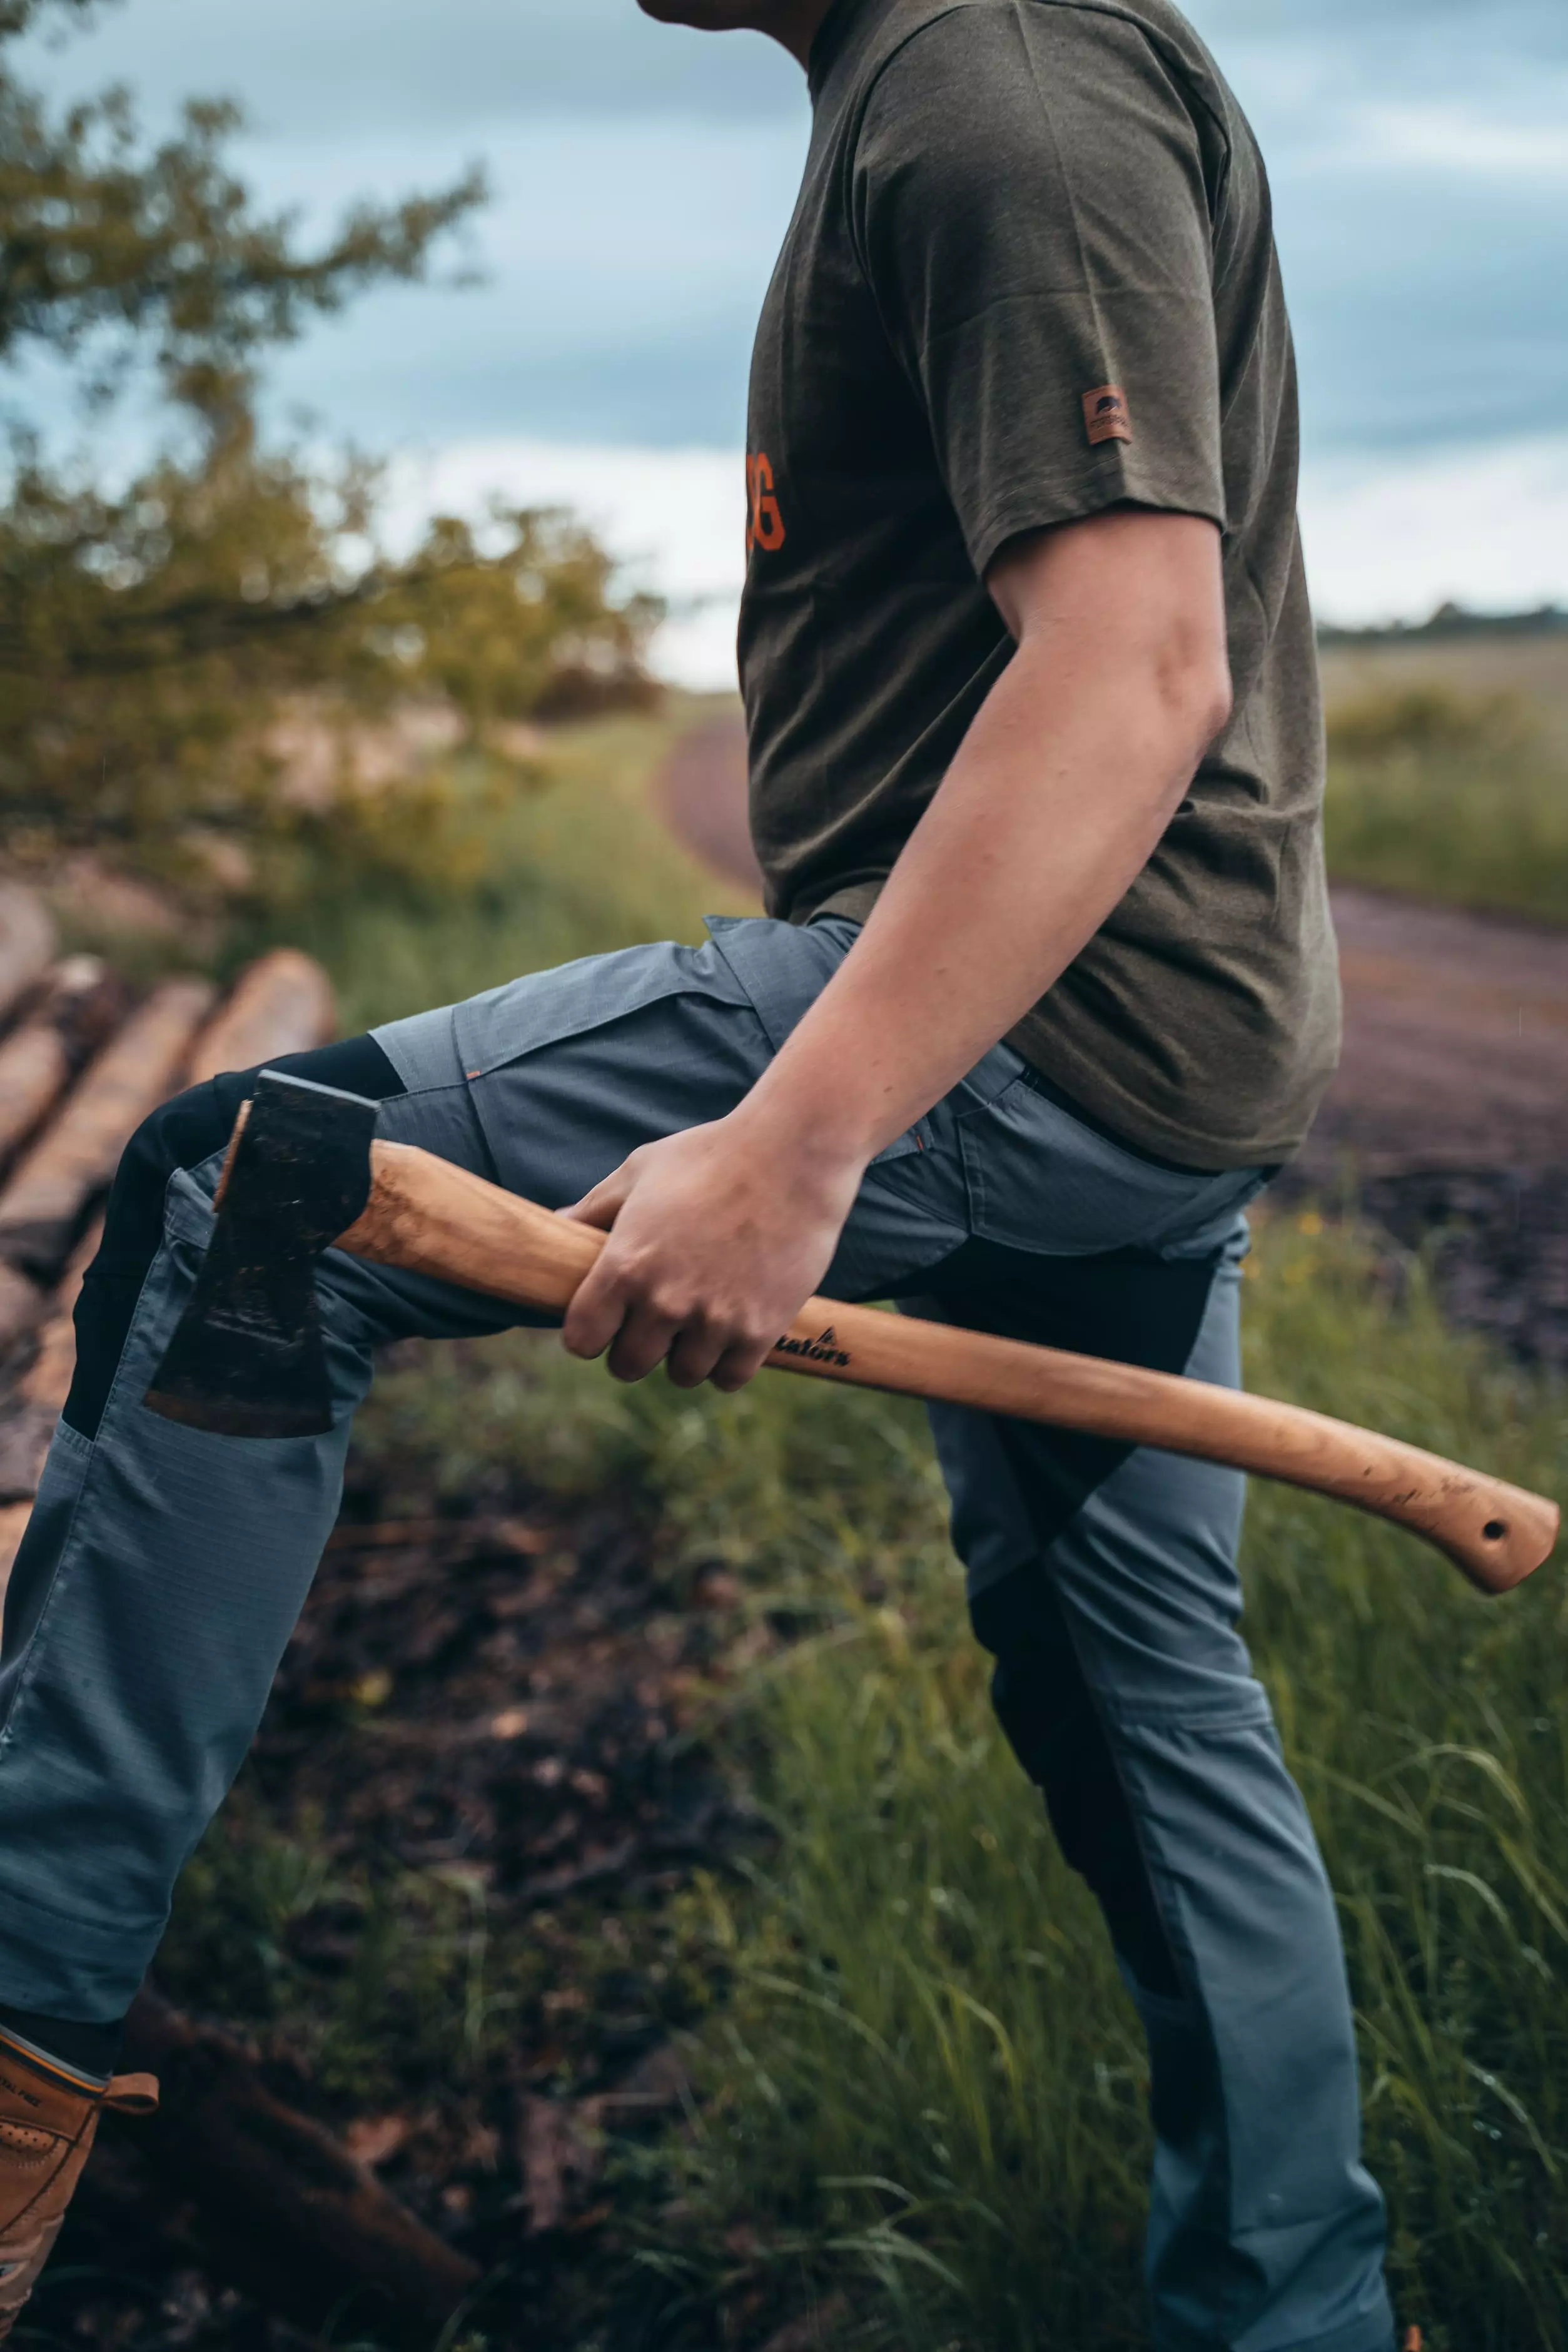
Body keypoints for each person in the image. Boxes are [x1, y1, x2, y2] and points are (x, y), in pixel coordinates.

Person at [0, 1, 1395, 2344]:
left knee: (255, 1171)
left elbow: (1141, 660)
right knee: (1140, 1709)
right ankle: (1305, 2312)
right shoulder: (945, 82)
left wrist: (797, 1136)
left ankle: (12, 2015)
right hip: (1146, 1065)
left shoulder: (994, 86)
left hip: (1005, 1034)